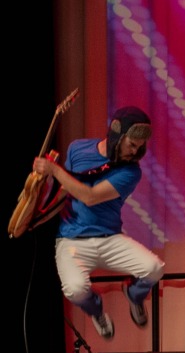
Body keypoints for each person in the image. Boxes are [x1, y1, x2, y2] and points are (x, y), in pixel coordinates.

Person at [32, 106, 165, 340]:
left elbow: (89, 196)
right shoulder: (77, 149)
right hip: (72, 240)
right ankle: (96, 310)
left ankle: (133, 294)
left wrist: (54, 169)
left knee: (154, 268)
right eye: (132, 144)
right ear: (117, 136)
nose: (136, 151)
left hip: (110, 238)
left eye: (140, 146)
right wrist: (38, 215)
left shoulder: (131, 171)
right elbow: (66, 190)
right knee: (75, 289)